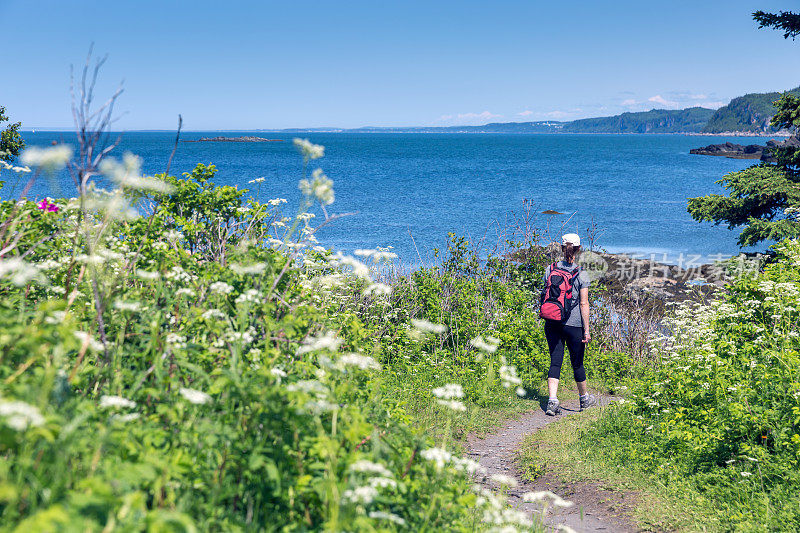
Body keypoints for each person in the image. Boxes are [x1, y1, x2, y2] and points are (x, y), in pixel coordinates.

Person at [540, 233, 597, 416]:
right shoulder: (581, 273)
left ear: (562, 248)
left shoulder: (550, 269)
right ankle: (584, 399)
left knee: (555, 361)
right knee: (577, 363)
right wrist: (586, 330)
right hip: (574, 325)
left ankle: (552, 401)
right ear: (579, 249)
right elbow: (584, 303)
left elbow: (544, 295)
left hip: (552, 322)